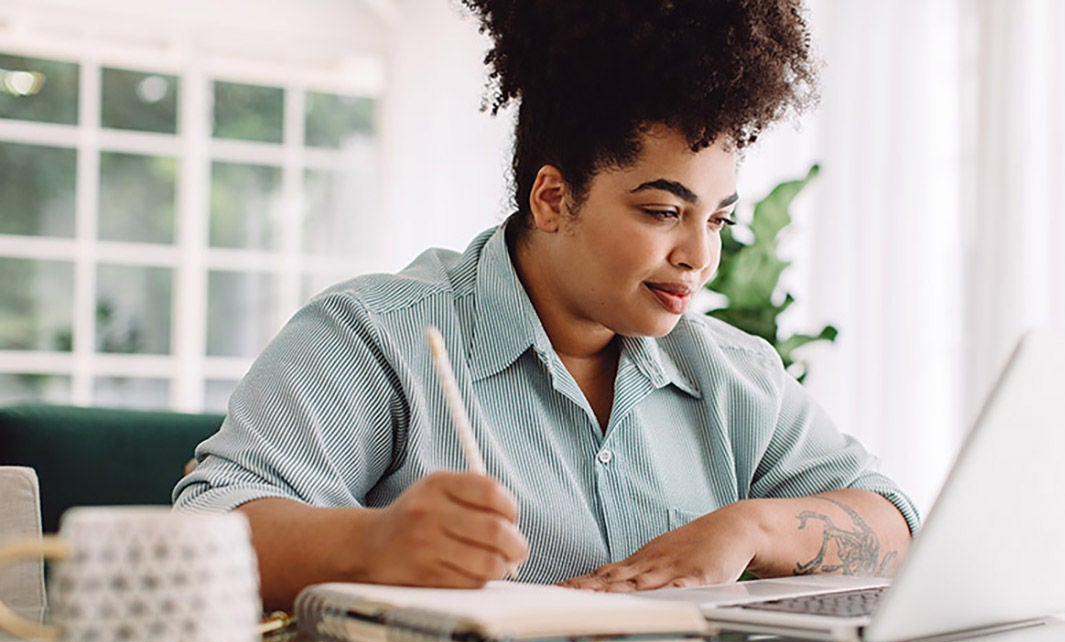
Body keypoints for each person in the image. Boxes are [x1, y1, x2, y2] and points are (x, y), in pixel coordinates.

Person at [174, 0, 919, 610]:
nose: (700, 254)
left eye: (718, 217)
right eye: (664, 211)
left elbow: (895, 526)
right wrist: (374, 544)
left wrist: (748, 527)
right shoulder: (376, 336)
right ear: (554, 197)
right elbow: (201, 532)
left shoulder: (734, 375)